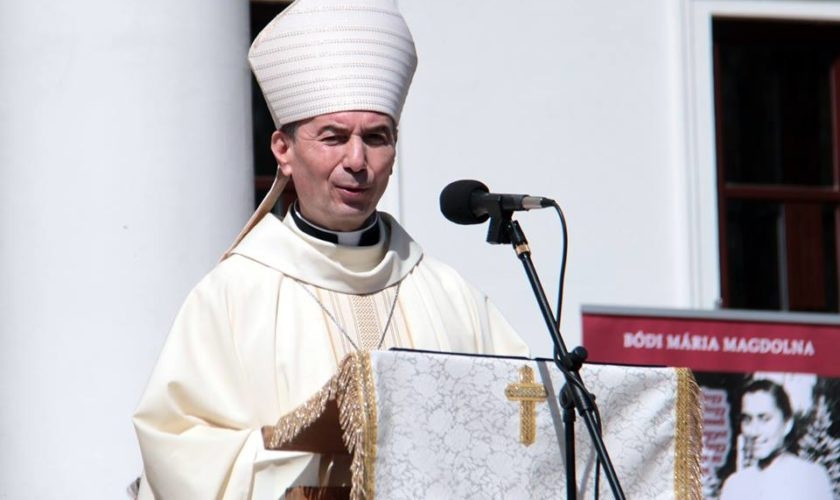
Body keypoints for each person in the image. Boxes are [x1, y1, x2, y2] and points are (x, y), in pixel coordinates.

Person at [132, 0, 529, 498]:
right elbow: (178, 448)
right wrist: (306, 467)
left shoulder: (449, 295)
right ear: (283, 150)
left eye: (376, 138)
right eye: (334, 137)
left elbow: (521, 425)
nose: (357, 160)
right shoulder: (235, 294)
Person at [719, 379, 833, 500]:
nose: (754, 431)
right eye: (747, 420)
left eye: (764, 419)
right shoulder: (734, 485)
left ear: (787, 424)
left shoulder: (810, 478)